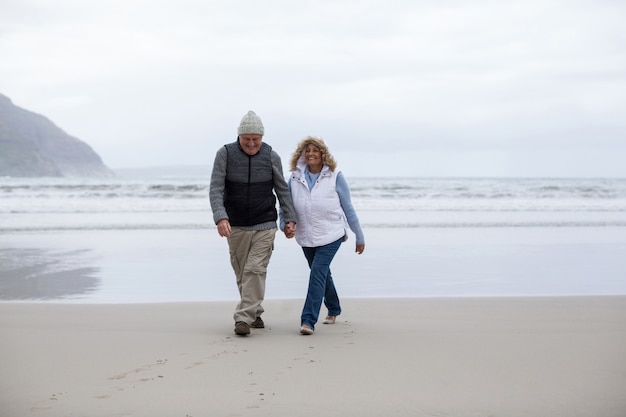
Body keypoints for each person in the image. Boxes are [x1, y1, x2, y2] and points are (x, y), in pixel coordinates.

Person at [210, 110, 297, 336]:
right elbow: (216, 188)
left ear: (262, 137)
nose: (251, 144)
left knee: (255, 269)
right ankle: (255, 312)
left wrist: (289, 219)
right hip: (236, 225)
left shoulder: (270, 156)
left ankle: (243, 318)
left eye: (255, 139)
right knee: (243, 273)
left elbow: (282, 190)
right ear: (239, 136)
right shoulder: (225, 154)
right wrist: (220, 217)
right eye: (246, 139)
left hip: (264, 223)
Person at [285, 136, 365, 335]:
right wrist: (286, 224)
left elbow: (348, 208)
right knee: (321, 272)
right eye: (307, 150)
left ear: (323, 154)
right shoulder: (294, 178)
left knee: (317, 272)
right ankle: (334, 308)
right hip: (306, 235)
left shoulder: (335, 176)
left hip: (332, 233)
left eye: (315, 150)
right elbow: (286, 207)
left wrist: (359, 235)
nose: (311, 153)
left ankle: (308, 320)